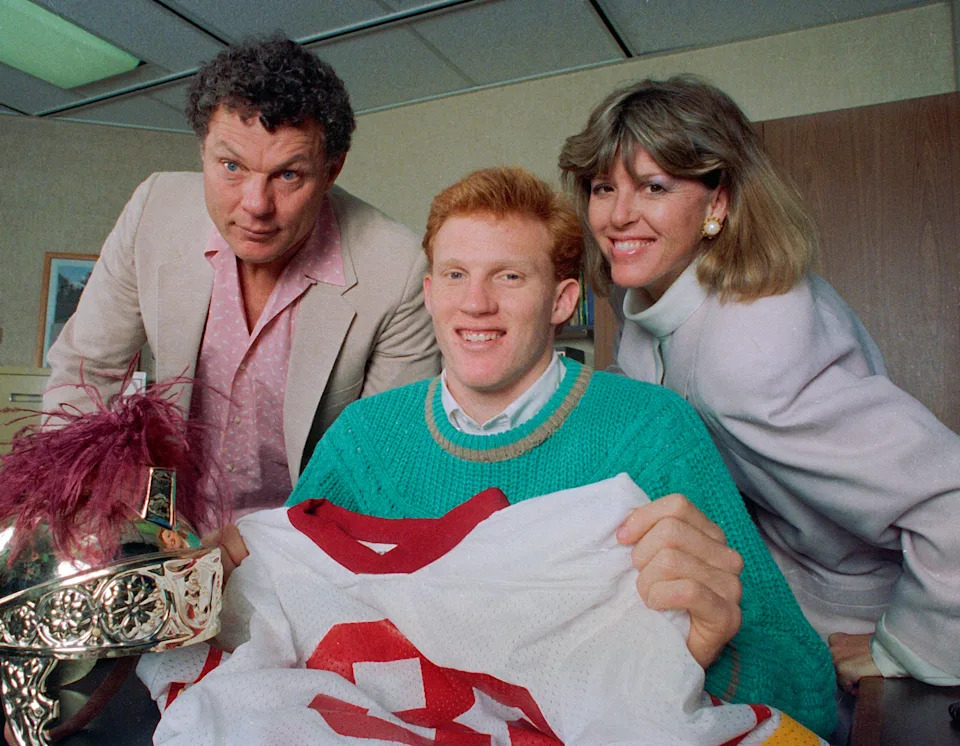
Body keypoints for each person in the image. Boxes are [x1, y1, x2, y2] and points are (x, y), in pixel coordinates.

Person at [272, 167, 836, 736]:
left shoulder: (651, 430)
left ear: (562, 300)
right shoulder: (363, 438)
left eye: (509, 277)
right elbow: (284, 626)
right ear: (428, 292)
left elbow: (810, 690)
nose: (475, 303)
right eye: (455, 274)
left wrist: (709, 649)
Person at [557, 75, 960, 694]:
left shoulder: (753, 347)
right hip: (773, 591)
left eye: (654, 187)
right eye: (604, 187)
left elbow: (949, 498)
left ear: (718, 203)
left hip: (854, 613)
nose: (616, 215)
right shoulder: (651, 308)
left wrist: (906, 645)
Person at [42, 37, 439, 518]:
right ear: (203, 152)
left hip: (304, 535)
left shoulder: (397, 268)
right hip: (162, 520)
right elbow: (88, 370)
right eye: (231, 166)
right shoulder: (155, 209)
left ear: (332, 169)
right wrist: (73, 496)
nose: (255, 204)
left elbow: (382, 461)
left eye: (288, 175)